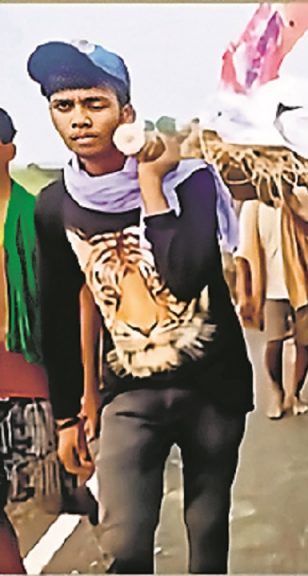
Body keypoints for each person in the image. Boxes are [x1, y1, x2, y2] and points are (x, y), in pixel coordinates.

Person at [30, 40, 251, 573]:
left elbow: (184, 278)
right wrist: (67, 416)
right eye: (64, 106)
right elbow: (57, 315)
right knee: (124, 545)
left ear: (126, 113)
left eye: (94, 103)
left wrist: (152, 184)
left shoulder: (190, 182)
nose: (79, 119)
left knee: (206, 534)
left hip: (213, 389)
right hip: (129, 396)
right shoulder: (56, 206)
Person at [1, 106, 57, 575]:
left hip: (29, 383)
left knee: (53, 499)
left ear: (8, 150)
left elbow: (68, 306)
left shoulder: (36, 216)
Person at [236, 190, 308, 419]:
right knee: (273, 342)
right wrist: (243, 293)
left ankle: (295, 394)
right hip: (270, 289)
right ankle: (277, 392)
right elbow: (243, 254)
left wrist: (291, 209)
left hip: (304, 285)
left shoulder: (302, 197)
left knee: (305, 342)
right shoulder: (252, 207)